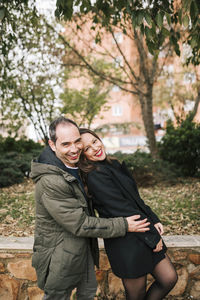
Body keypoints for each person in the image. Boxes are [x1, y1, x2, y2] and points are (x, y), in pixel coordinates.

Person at [30, 116, 151, 300]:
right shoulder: (50, 181)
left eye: (77, 141)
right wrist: (124, 225)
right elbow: (80, 224)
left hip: (83, 250)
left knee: (87, 294)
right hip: (59, 258)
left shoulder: (74, 166)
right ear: (52, 145)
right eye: (66, 144)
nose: (74, 148)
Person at [79, 128, 178, 300]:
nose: (95, 148)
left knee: (169, 278)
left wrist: (153, 218)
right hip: (126, 242)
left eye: (94, 141)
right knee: (136, 294)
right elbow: (123, 209)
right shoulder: (95, 176)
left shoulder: (111, 165)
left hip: (142, 230)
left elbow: (135, 199)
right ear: (83, 156)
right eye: (87, 148)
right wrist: (153, 237)